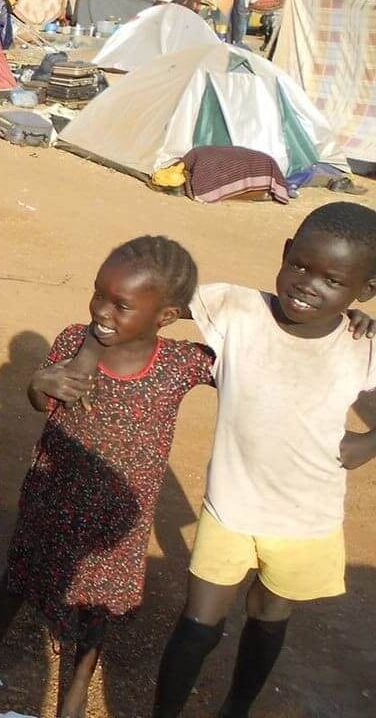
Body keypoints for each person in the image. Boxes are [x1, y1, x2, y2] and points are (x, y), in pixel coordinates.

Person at [0, 237, 214, 718]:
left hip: (116, 517)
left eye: (121, 305)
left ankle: (79, 684)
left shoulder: (181, 363)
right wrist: (37, 384)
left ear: (166, 315)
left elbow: (250, 340)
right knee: (19, 577)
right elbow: (40, 400)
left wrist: (341, 319)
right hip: (54, 494)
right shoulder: (74, 341)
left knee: (98, 606)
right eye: (98, 294)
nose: (101, 311)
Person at [152, 201, 376, 718]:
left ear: (363, 291)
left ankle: (237, 707)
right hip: (229, 510)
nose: (307, 285)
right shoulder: (237, 309)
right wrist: (91, 349)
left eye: (333, 281)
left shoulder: (361, 346)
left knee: (268, 617)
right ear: (285, 252)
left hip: (306, 520)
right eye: (300, 265)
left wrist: (368, 444)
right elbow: (155, 299)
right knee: (197, 625)